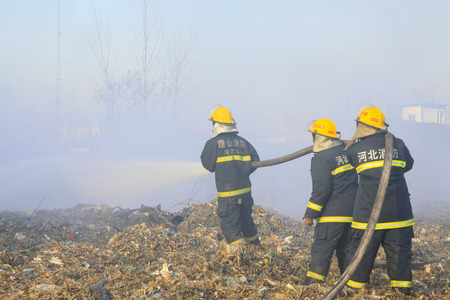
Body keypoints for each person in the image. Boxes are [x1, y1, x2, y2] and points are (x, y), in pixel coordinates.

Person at [344, 105, 414, 295]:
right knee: (400, 258)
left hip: (368, 217)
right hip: (399, 216)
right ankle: (402, 294)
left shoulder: (355, 150)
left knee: (360, 256)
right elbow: (408, 165)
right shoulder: (398, 143)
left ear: (361, 126)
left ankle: (356, 292)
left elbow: (351, 164)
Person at [303, 118, 358, 285]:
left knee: (322, 250)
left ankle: (313, 285)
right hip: (353, 213)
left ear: (318, 137)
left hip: (332, 216)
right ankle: (352, 285)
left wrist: (310, 214)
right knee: (347, 251)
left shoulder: (322, 158)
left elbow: (321, 189)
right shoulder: (347, 151)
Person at [200, 106, 260, 246]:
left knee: (231, 229)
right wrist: (242, 172)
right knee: (248, 226)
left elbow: (208, 165)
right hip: (245, 194)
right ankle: (257, 250)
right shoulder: (244, 142)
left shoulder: (213, 144)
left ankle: (241, 256)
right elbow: (256, 162)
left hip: (228, 197)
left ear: (216, 124)